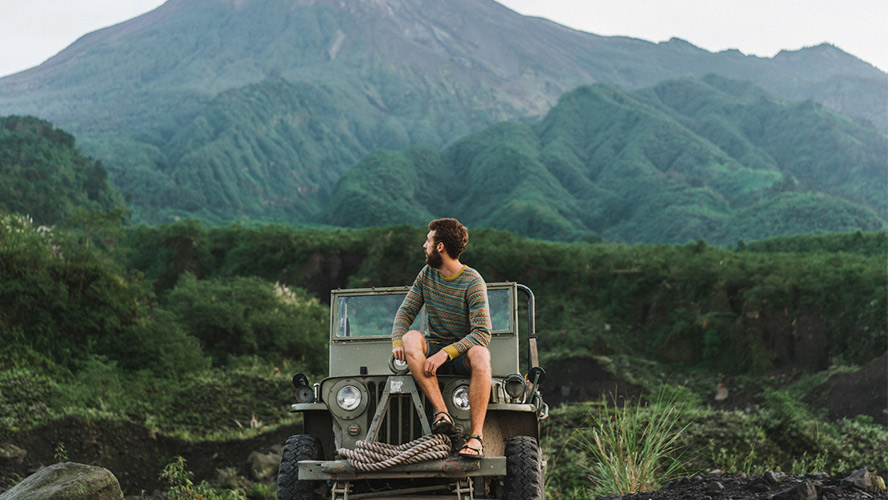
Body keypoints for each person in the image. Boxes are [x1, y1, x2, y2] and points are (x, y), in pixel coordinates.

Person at [391, 218, 491, 459]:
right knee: (411, 338)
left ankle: (476, 437)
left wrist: (446, 353)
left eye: (428, 240)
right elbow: (405, 313)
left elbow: (482, 333)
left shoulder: (473, 281)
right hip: (433, 347)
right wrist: (397, 342)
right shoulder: (427, 274)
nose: (424, 245)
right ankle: (441, 412)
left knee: (481, 354)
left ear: (440, 247)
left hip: (461, 355)